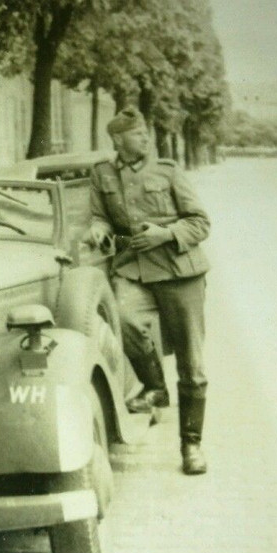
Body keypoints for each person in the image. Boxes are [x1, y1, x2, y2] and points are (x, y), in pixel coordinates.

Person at [87, 107, 212, 475]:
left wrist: (166, 234)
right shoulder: (103, 174)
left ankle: (191, 446)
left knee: (192, 363)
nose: (144, 138)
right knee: (122, 320)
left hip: (179, 270)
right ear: (118, 139)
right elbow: (99, 215)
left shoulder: (168, 171)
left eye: (144, 132)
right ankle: (155, 387)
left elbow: (201, 222)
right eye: (137, 133)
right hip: (133, 268)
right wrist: (97, 229)